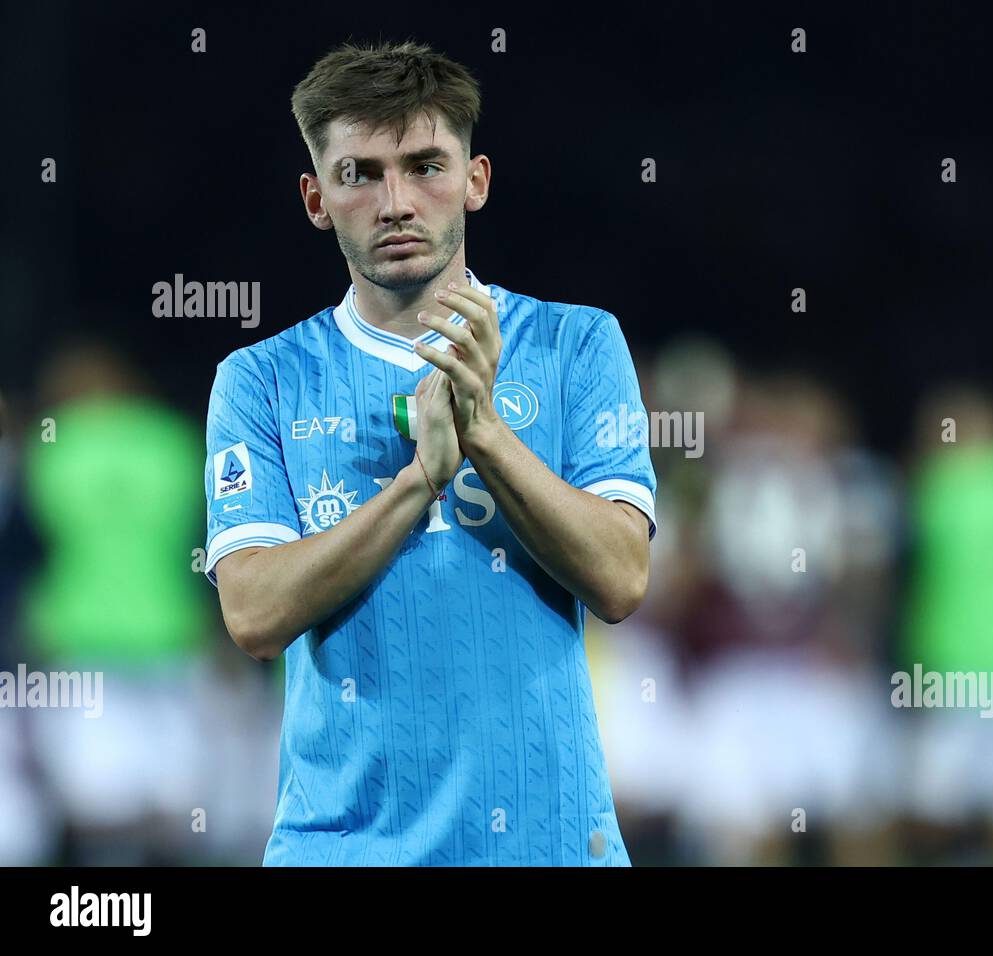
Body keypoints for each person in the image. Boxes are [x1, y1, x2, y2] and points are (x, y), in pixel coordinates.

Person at [203, 40, 657, 865]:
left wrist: (483, 432)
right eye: (360, 174)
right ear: (316, 197)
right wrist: (419, 482)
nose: (397, 202)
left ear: (476, 180)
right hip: (338, 848)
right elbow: (255, 616)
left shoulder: (576, 345)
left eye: (425, 165)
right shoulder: (262, 380)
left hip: (548, 845)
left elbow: (622, 578)